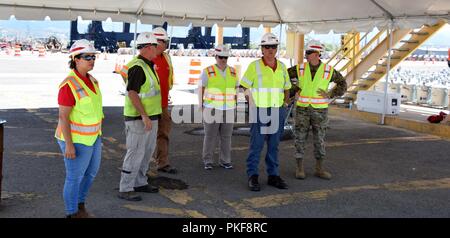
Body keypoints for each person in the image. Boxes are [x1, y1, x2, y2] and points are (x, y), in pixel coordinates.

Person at [55, 39, 103, 218]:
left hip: (93, 136)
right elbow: (63, 117)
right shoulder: (69, 84)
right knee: (74, 177)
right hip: (75, 139)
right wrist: (69, 145)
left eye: (93, 56)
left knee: (90, 173)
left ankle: (80, 206)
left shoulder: (92, 80)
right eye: (87, 57)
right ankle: (72, 213)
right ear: (76, 59)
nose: (92, 60)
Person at [288, 40, 347, 180]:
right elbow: (284, 77)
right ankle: (299, 168)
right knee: (300, 138)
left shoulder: (328, 70)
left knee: (319, 139)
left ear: (316, 54)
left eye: (308, 53)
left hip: (320, 111)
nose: (306, 55)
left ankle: (319, 169)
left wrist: (331, 94)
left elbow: (343, 83)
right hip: (302, 109)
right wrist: (294, 89)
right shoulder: (300, 68)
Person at [240, 33, 291, 191]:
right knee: (257, 144)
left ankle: (273, 176)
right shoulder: (254, 66)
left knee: (274, 145)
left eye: (273, 46)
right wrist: (252, 104)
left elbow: (287, 87)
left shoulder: (282, 66)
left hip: (277, 110)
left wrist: (285, 103)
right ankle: (253, 176)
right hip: (260, 110)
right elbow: (244, 86)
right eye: (267, 46)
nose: (270, 49)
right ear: (262, 49)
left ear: (277, 49)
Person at [118, 32, 161, 201]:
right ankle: (126, 187)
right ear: (149, 47)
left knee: (146, 152)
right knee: (135, 152)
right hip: (139, 119)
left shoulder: (148, 65)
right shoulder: (137, 67)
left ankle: (140, 182)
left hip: (150, 117)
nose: (158, 50)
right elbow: (132, 93)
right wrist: (144, 115)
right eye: (156, 46)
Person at [199, 44, 238, 170]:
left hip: (229, 109)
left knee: (226, 137)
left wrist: (235, 104)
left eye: (225, 57)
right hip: (212, 108)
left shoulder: (233, 71)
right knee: (210, 136)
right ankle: (208, 161)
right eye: (220, 57)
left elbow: (236, 89)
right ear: (215, 57)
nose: (223, 60)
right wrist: (201, 106)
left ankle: (225, 160)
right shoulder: (208, 71)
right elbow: (201, 89)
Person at [151, 27, 178, 174]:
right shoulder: (146, 58)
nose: (166, 44)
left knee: (163, 134)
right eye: (164, 41)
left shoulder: (166, 57)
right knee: (145, 138)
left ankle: (163, 162)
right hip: (148, 106)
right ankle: (139, 168)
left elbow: (169, 78)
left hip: (162, 104)